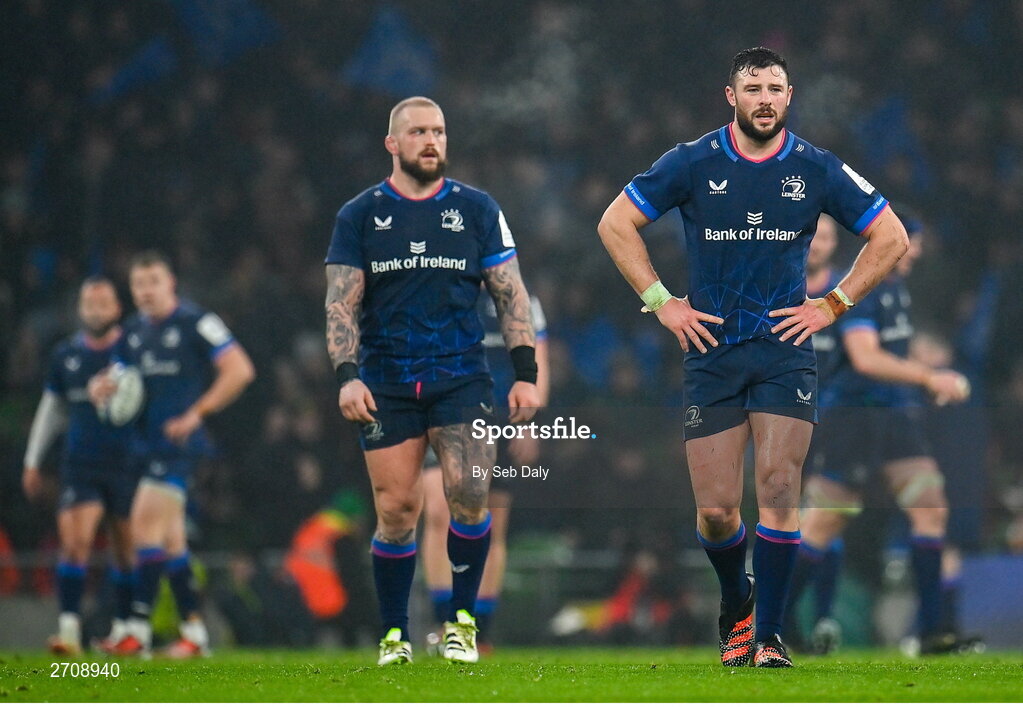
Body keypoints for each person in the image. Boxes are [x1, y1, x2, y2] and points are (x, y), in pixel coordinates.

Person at [596, 47, 909, 668]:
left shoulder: (817, 168)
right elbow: (614, 223)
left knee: (778, 486)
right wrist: (662, 302)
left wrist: (834, 303)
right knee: (715, 511)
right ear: (730, 96)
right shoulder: (692, 161)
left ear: (789, 98)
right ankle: (736, 597)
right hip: (712, 352)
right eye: (753, 88)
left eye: (775, 88)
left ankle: (768, 636)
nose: (764, 98)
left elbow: (891, 236)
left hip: (784, 352)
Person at [324, 96, 540, 666]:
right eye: (418, 131)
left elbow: (510, 293)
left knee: (469, 499)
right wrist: (347, 377)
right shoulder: (360, 215)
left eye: (439, 131)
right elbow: (341, 305)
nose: (431, 141)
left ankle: (462, 626)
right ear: (392, 144)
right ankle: (394, 635)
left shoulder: (478, 208)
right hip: (386, 382)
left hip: (462, 380)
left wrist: (526, 375)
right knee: (397, 511)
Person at [789, 215, 978, 656]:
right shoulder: (865, 287)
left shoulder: (896, 288)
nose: (916, 250)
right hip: (854, 416)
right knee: (823, 523)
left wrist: (919, 365)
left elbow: (889, 353)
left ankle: (933, 633)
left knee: (931, 510)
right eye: (909, 242)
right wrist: (929, 377)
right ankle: (771, 622)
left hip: (892, 415)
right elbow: (865, 357)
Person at [91, 251, 255, 657]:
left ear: (171, 284)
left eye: (153, 282)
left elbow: (240, 370)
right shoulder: (131, 332)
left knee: (143, 530)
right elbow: (115, 380)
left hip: (179, 449)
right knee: (171, 544)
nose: (146, 291)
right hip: (141, 447)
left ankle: (136, 631)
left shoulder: (196, 322)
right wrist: (100, 388)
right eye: (138, 284)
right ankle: (195, 635)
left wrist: (196, 414)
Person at [421, 294, 550, 653]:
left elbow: (540, 362)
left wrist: (530, 420)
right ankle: (442, 620)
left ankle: (481, 629)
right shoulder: (445, 287)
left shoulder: (523, 299)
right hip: (448, 412)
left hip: (503, 418)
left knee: (491, 523)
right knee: (437, 511)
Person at [22, 277, 136, 654]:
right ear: (80, 308)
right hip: (81, 463)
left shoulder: (133, 349)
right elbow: (52, 409)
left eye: (102, 303)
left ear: (117, 308)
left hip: (127, 461)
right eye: (89, 303)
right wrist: (33, 459)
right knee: (75, 543)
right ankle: (69, 633)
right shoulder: (66, 355)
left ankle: (125, 630)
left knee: (125, 548)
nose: (95, 310)